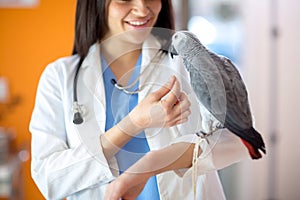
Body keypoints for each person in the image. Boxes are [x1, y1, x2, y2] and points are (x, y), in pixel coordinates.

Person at [29, 0, 249, 199]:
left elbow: (238, 140)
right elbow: (49, 178)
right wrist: (133, 124)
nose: (142, 9)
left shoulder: (187, 63)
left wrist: (152, 164)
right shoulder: (60, 77)